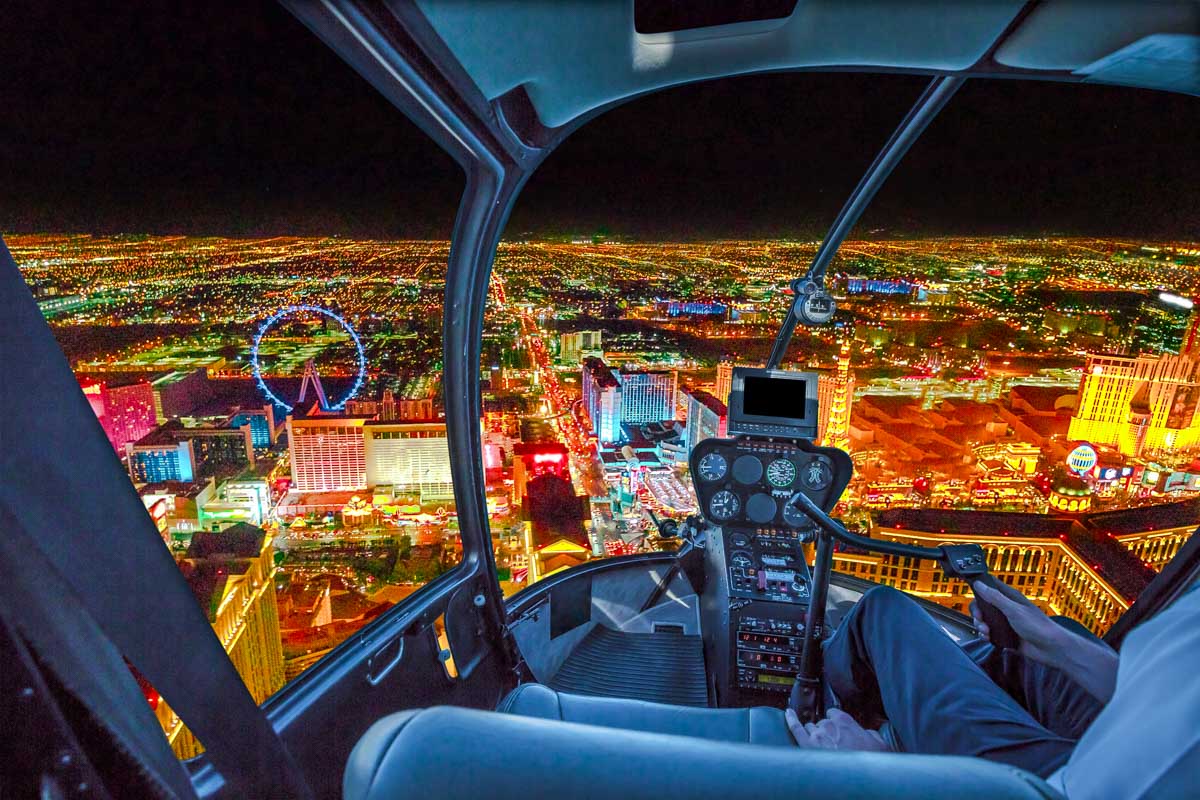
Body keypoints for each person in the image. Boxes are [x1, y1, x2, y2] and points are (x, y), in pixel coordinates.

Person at [785, 580, 1200, 798]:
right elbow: (1167, 694)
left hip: (1059, 785)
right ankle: (914, 720)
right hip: (1132, 736)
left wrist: (883, 773)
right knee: (1041, 648)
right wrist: (1054, 643)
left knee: (883, 612)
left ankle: (828, 710)